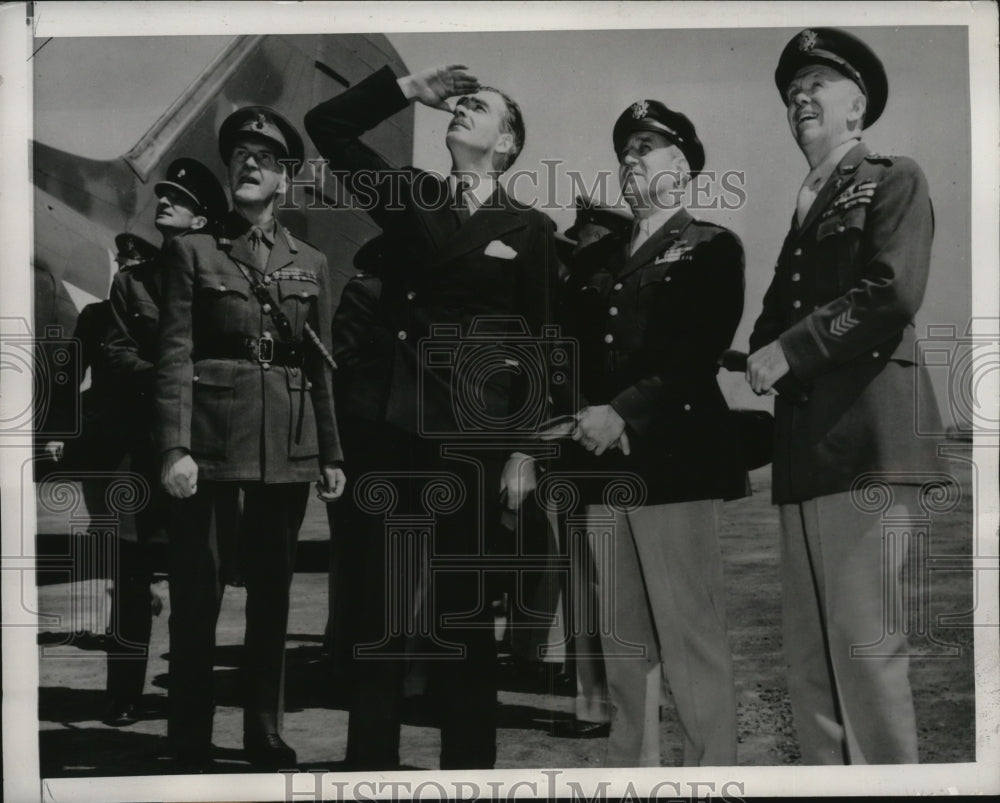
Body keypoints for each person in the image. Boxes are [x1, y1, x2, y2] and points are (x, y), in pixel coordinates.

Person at [305, 63, 559, 770]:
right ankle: (368, 770)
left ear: (506, 143)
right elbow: (328, 128)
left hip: (473, 440)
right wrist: (408, 91)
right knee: (380, 611)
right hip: (390, 429)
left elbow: (540, 345)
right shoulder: (413, 195)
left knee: (465, 613)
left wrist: (526, 449)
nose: (463, 110)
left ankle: (469, 772)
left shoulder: (531, 229)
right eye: (460, 104)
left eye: (481, 108)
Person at [746, 27, 943, 765]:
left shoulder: (893, 178)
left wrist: (789, 351)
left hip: (867, 446)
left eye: (817, 85)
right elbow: (770, 320)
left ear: (857, 107)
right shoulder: (807, 205)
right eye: (792, 91)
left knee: (865, 657)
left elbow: (892, 290)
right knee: (810, 666)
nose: (800, 98)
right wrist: (764, 350)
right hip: (806, 453)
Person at [154, 107, 346, 770]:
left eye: (264, 158)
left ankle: (264, 731)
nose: (249, 164)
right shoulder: (193, 251)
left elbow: (319, 362)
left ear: (284, 180)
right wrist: (173, 448)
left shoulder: (311, 261)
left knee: (272, 598)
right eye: (240, 155)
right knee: (196, 597)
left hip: (285, 445)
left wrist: (331, 452)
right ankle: (188, 736)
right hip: (210, 444)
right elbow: (174, 354)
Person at [561, 99, 747, 766]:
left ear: (683, 165)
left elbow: (697, 348)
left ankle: (711, 774)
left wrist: (623, 411)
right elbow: (568, 346)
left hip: (673, 463)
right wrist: (585, 412)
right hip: (603, 464)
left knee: (690, 636)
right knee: (623, 642)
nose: (630, 158)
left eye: (646, 146)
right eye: (626, 149)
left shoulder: (711, 245)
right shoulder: (598, 256)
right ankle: (631, 775)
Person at [100, 161, 228, 727]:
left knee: (197, 580)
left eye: (179, 198)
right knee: (130, 579)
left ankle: (190, 693)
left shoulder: (222, 278)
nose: (165, 202)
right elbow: (115, 353)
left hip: (207, 447)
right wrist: (171, 379)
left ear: (201, 220)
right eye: (164, 195)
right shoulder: (132, 282)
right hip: (143, 449)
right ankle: (124, 693)